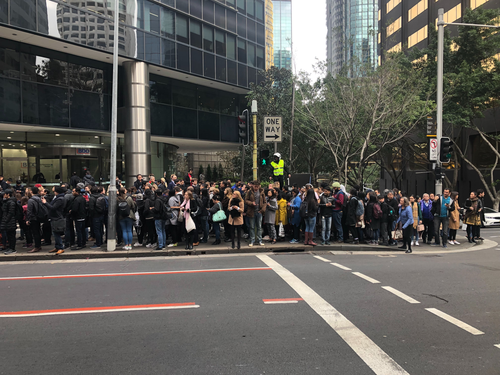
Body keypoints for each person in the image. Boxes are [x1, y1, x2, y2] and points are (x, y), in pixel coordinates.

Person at [245, 181, 267, 247]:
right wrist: (252, 203)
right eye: (255, 186)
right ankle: (252, 240)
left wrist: (263, 210)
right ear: (253, 186)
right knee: (252, 226)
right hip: (252, 211)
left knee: (259, 227)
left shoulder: (261, 192)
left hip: (259, 211)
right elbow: (246, 200)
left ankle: (259, 240)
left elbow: (265, 202)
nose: (256, 188)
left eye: (257, 186)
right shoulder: (249, 192)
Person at [45, 186, 66, 255]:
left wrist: (45, 203)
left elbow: (53, 208)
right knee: (54, 232)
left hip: (57, 217)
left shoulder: (60, 199)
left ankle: (60, 247)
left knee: (56, 233)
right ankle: (57, 246)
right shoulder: (58, 197)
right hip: (54, 217)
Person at [1, 190, 17, 255]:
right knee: (9, 235)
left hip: (10, 221)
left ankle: (12, 248)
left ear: (8, 194)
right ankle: (10, 247)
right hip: (8, 221)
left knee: (11, 236)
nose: (3, 195)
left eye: (4, 194)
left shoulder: (11, 202)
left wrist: (6, 220)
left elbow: (11, 212)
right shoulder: (7, 202)